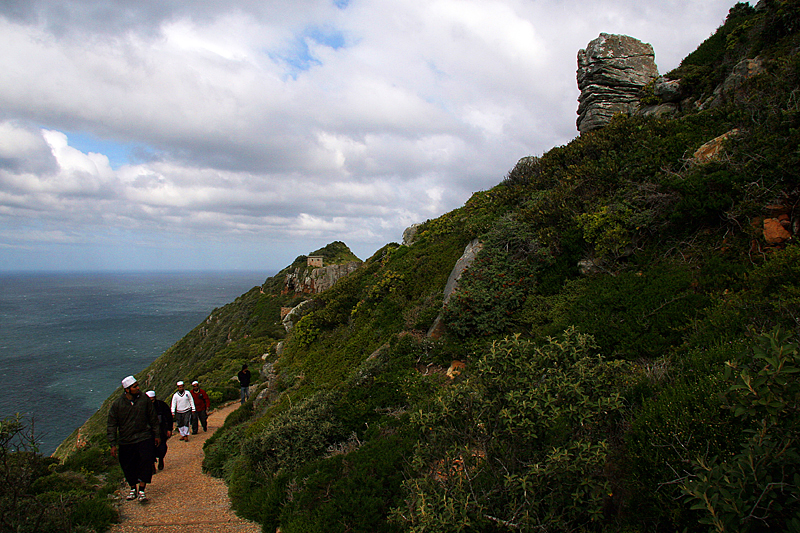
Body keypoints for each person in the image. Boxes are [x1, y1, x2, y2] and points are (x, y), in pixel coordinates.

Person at [107, 375, 160, 503]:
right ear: (127, 389)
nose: (138, 388)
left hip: (144, 437)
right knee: (128, 465)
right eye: (135, 386)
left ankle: (142, 490)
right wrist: (112, 444)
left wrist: (157, 435)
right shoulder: (117, 404)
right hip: (126, 440)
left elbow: (153, 418)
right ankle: (132, 488)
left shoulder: (144, 400)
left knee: (146, 462)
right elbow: (112, 424)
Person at [146, 390, 172, 471]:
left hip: (161, 430)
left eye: (152, 400)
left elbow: (169, 417)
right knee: (149, 449)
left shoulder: (161, 405)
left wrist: (169, 429)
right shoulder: (143, 407)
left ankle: (161, 459)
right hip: (148, 432)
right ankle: (152, 464)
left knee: (162, 447)